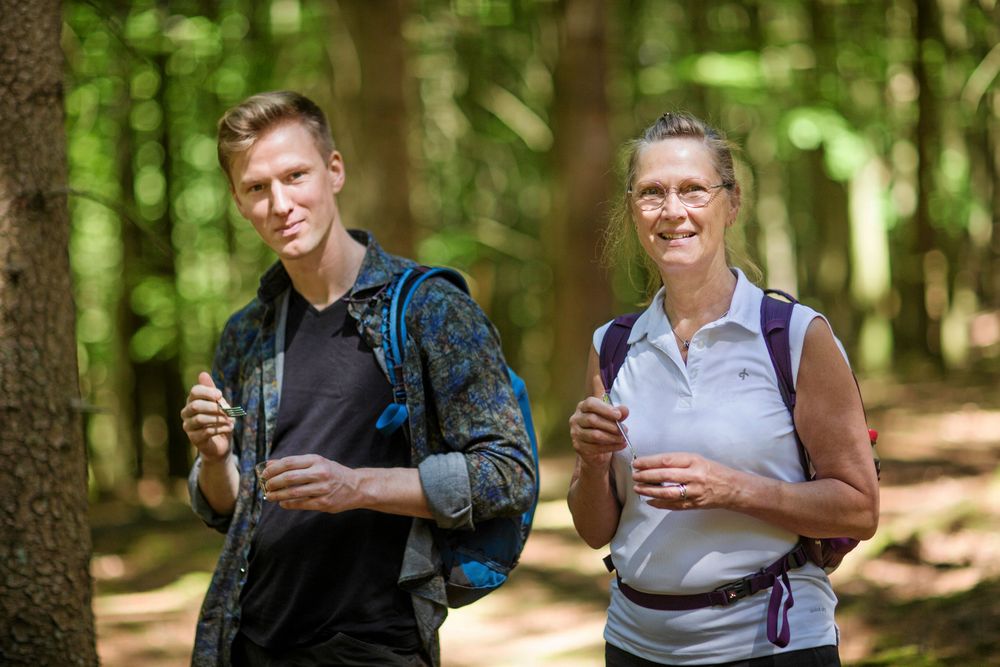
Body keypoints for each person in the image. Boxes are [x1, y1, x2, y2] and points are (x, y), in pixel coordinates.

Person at [179, 90, 535, 667]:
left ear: (334, 171)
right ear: (239, 203)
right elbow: (230, 509)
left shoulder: (429, 310)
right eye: (257, 188)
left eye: (296, 176)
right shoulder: (246, 331)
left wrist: (358, 487)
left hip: (377, 643)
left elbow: (508, 474)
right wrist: (217, 457)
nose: (280, 203)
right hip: (248, 637)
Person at [567, 112, 879, 667]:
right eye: (652, 193)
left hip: (773, 643)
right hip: (635, 647)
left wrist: (732, 488)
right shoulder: (612, 346)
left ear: (730, 204)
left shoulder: (795, 335)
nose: (673, 211)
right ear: (632, 211)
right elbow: (596, 532)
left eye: (693, 189)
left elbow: (858, 509)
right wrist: (591, 462)